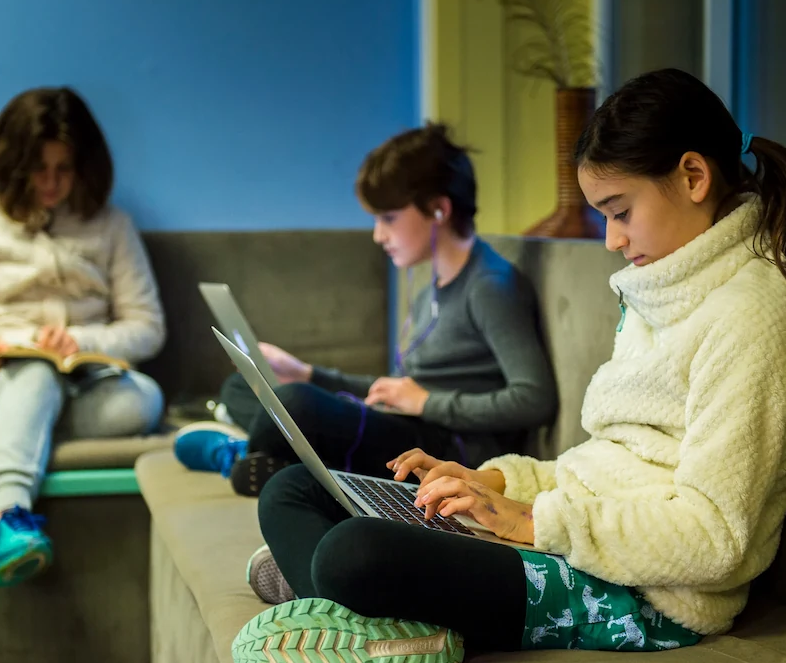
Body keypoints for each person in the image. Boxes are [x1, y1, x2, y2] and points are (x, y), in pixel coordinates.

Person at [228, 68, 786, 663]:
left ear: (694, 177)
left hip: (642, 596)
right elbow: (598, 467)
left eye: (620, 212)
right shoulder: (665, 287)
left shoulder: (753, 318)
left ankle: (373, 611)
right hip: (572, 540)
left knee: (354, 554)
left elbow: (716, 539)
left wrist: (531, 523)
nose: (611, 241)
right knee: (292, 489)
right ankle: (359, 610)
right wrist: (493, 483)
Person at [175, 123, 558, 498]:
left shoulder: (490, 286)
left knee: (296, 403)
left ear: (439, 210)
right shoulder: (432, 290)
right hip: (408, 425)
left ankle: (249, 453)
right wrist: (308, 372)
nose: (378, 235)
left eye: (388, 218)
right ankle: (269, 454)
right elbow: (392, 393)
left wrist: (426, 402)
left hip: (444, 451)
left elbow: (534, 398)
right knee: (247, 384)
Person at [0, 87, 166, 588]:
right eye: (38, 169)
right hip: (5, 376)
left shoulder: (112, 226)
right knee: (34, 377)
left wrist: (79, 341)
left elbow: (147, 327)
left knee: (145, 402)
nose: (51, 183)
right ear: (11, 163)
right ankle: (8, 518)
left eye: (64, 169)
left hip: (88, 376)